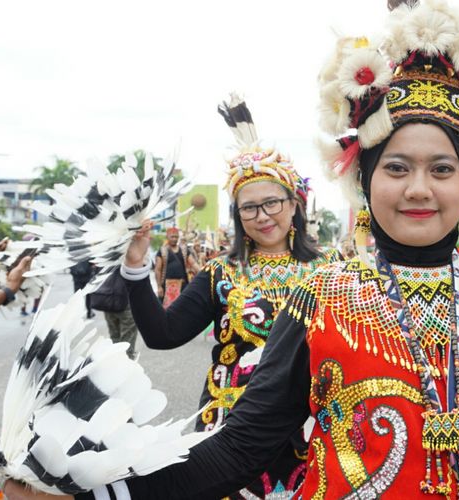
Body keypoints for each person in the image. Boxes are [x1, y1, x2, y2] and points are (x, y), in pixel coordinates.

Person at [4, 2, 459, 499]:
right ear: (365, 179)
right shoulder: (319, 297)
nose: (419, 188)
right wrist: (85, 479)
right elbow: (240, 448)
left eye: (441, 168)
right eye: (397, 167)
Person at [120, 94, 338, 498]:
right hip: (230, 431)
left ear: (294, 205)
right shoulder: (221, 272)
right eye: (249, 208)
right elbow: (162, 335)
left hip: (314, 431)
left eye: (272, 202)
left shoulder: (333, 269)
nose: (263, 216)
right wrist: (135, 267)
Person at [89, 272, 139, 359]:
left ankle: (116, 360)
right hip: (125, 302)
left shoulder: (106, 259)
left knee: (114, 336)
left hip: (108, 299)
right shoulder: (131, 260)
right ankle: (126, 362)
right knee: (127, 339)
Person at [154, 227, 200, 308]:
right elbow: (157, 270)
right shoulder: (162, 251)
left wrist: (202, 271)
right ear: (167, 237)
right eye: (172, 237)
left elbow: (193, 263)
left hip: (183, 285)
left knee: (184, 308)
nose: (174, 239)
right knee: (166, 310)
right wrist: (159, 287)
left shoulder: (184, 250)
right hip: (166, 287)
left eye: (176, 237)